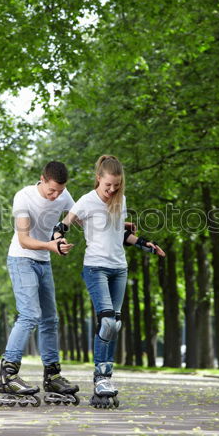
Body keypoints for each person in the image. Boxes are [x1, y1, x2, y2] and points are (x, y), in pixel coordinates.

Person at [55, 155, 165, 408]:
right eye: (108, 186)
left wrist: (146, 244)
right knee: (106, 321)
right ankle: (101, 378)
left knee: (114, 324)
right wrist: (59, 241)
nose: (113, 190)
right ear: (98, 179)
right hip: (95, 267)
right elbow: (61, 226)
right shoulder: (86, 201)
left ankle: (104, 378)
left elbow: (121, 235)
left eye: (117, 185)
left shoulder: (121, 200)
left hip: (119, 269)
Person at [0, 161, 80, 407]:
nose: (56, 196)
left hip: (43, 262)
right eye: (51, 190)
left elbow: (82, 219)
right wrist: (51, 246)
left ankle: (52, 375)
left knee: (50, 320)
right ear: (42, 179)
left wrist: (116, 227)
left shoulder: (63, 196)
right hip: (22, 260)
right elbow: (23, 239)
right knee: (30, 314)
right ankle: (7, 374)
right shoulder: (23, 197)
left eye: (60, 192)